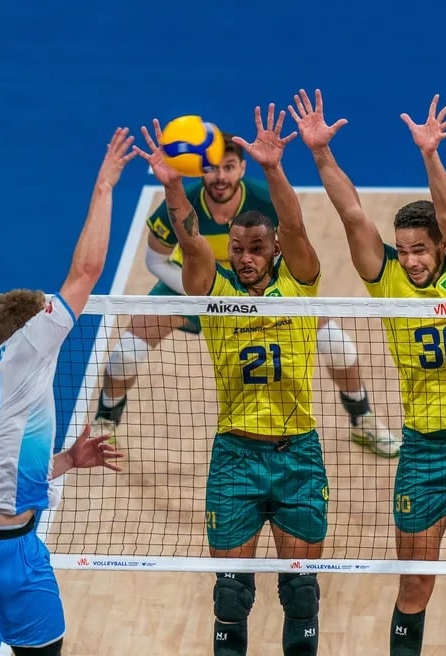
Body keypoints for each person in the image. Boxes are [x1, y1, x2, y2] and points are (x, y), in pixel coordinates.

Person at [292, 89, 446, 656]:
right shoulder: (387, 279)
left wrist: (429, 155)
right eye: (404, 250)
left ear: (441, 247)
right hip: (424, 450)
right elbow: (352, 214)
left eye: (420, 250)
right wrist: (320, 154)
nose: (411, 260)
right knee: (415, 584)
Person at [132, 106, 326, 656]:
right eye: (237, 249)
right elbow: (192, 242)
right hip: (236, 457)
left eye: (256, 249)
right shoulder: (214, 297)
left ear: (275, 250)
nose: (245, 258)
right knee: (231, 596)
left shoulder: (300, 286)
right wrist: (173, 187)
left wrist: (274, 168)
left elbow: (296, 226)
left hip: (298, 455)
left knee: (302, 593)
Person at [93, 131, 399, 458]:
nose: (220, 177)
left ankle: (362, 417)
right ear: (201, 169)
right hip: (194, 286)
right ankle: (105, 423)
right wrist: (207, 298)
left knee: (338, 345)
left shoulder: (264, 200)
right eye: (213, 168)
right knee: (126, 353)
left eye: (229, 167)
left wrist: (262, 293)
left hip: (259, 289)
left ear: (241, 168)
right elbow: (156, 261)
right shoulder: (183, 204)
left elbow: (287, 245)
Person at [0, 128, 133, 655]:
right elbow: (86, 271)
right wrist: (104, 185)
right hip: (9, 552)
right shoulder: (32, 347)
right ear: (33, 328)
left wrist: (68, 461)